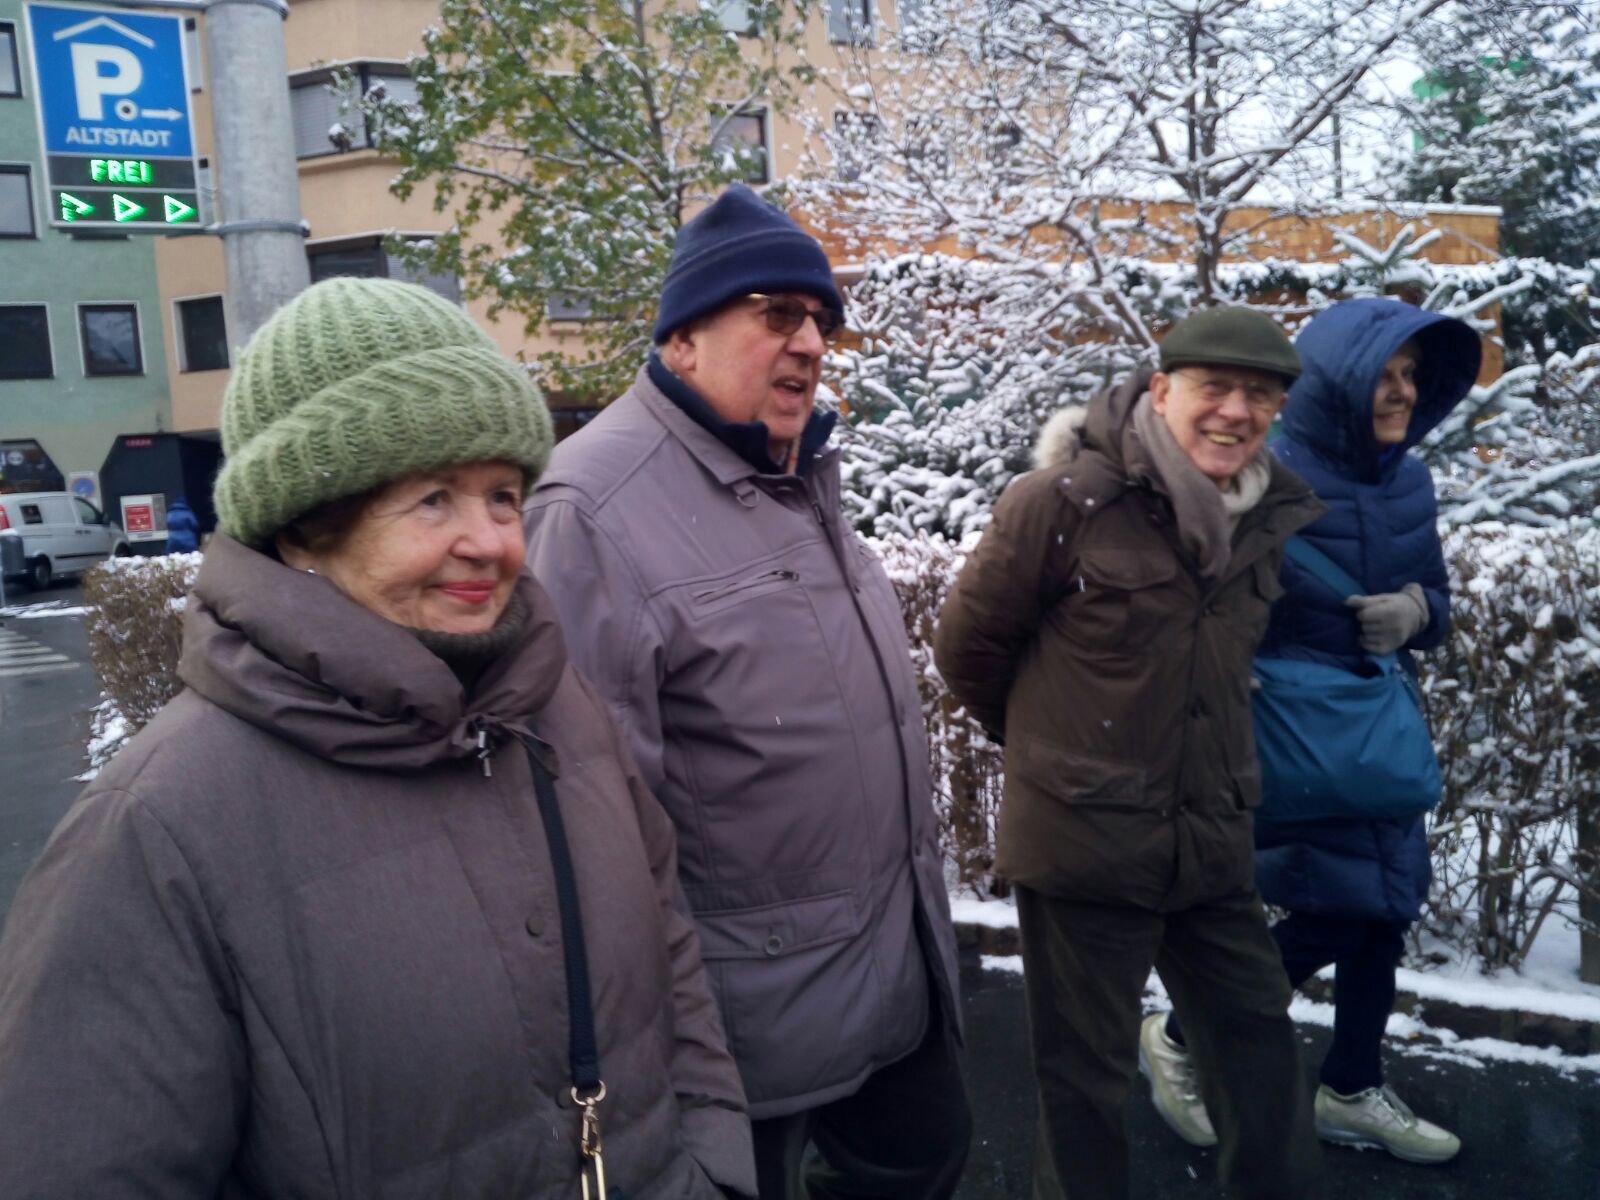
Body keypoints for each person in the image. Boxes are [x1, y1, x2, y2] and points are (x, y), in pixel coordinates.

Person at [0, 277, 756, 1200]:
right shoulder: (154, 830)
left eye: (504, 496)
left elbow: (670, 953)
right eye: (434, 498)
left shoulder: (557, 709)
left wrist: (712, 1166)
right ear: (304, 528)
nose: (492, 542)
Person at [524, 184, 970, 1199]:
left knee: (923, 1163)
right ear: (683, 339)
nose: (809, 342)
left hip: (887, 970)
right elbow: (590, 822)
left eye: (820, 322)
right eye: (777, 314)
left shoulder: (796, 471)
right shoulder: (592, 509)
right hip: (743, 1023)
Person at [934, 307, 1327, 1200]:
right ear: (1160, 391)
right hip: (1085, 843)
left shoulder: (1267, 516)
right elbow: (968, 651)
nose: (1236, 411)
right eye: (1214, 387)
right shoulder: (1062, 504)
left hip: (1210, 840)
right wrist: (1063, 758)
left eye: (1259, 394)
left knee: (1260, 1054)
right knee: (1084, 1083)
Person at [1152, 297, 1479, 1165]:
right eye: (1384, 374)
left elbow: (1439, 600)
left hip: (1379, 740)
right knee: (1336, 912)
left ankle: (1352, 1086)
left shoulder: (1411, 482)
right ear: (1338, 383)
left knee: (1384, 913)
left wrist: (1417, 613)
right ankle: (1182, 1037)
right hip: (1299, 741)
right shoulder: (1264, 476)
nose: (1402, 391)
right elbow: (1195, 602)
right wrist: (1231, 670)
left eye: (1413, 375)